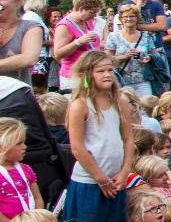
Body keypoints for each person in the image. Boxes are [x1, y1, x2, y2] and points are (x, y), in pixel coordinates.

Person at [64, 52, 135, 220]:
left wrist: (125, 171)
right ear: (86, 75)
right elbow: (77, 147)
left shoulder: (120, 102)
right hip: (90, 182)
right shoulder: (80, 105)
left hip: (117, 181)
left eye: (110, 70)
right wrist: (100, 178)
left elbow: (128, 139)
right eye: (101, 71)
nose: (107, 75)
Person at [51, 0, 104, 93]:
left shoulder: (86, 21)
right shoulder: (64, 26)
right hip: (73, 76)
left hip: (90, 73)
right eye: (92, 13)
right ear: (81, 9)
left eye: (96, 13)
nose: (94, 16)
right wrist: (78, 42)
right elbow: (58, 53)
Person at [108, 5, 162, 98]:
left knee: (145, 108)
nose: (129, 19)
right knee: (126, 109)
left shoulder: (146, 36)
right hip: (122, 81)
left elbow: (156, 56)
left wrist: (149, 58)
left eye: (132, 16)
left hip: (143, 80)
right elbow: (108, 58)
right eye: (125, 16)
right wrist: (124, 56)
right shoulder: (113, 36)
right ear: (121, 19)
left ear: (137, 18)